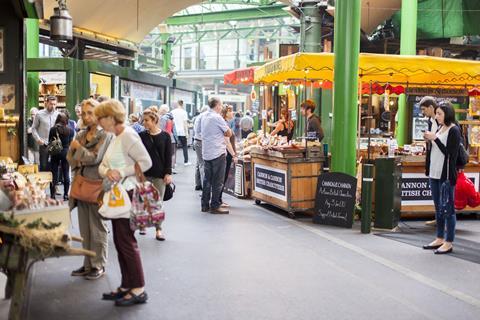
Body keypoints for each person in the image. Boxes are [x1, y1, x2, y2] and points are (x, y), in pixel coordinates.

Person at [96, 99, 152, 306]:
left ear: (111, 117)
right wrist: (109, 171)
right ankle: (127, 285)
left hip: (128, 194)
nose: (99, 122)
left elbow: (146, 162)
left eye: (102, 117)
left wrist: (120, 172)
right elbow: (103, 166)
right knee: (121, 241)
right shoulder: (115, 137)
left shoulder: (128, 135)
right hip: (118, 195)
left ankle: (138, 288)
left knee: (126, 241)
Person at [67, 98, 113, 280]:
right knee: (85, 229)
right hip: (81, 185)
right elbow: (70, 158)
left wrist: (78, 152)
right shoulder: (81, 134)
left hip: (98, 186)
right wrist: (78, 154)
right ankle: (88, 264)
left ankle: (98, 265)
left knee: (98, 229)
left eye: (90, 113)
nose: (85, 117)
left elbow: (94, 158)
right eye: (83, 113)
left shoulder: (106, 135)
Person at [422, 101, 461, 255]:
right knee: (438, 208)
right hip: (434, 173)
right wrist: (430, 139)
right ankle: (439, 237)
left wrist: (435, 139)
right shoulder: (440, 127)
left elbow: (451, 153)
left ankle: (448, 241)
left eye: (440, 114)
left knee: (448, 209)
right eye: (436, 113)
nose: (437, 116)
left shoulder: (454, 130)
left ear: (447, 114)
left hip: (446, 176)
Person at [139, 109, 173, 241]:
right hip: (144, 174)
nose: (144, 122)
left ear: (154, 121)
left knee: (157, 204)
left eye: (146, 120)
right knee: (144, 201)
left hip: (160, 175)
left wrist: (168, 173)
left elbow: (168, 156)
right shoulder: (141, 136)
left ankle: (158, 230)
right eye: (143, 120)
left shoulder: (165, 136)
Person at [201, 97, 233, 214]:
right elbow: (229, 133)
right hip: (218, 152)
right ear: (218, 105)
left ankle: (204, 205)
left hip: (207, 152)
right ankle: (215, 206)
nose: (221, 107)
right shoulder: (217, 117)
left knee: (207, 179)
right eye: (221, 104)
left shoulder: (204, 116)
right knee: (218, 181)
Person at [419, 96, 439, 226]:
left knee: (441, 194)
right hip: (433, 159)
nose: (422, 112)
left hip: (441, 161)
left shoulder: (440, 121)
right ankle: (439, 218)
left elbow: (443, 140)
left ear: (431, 107)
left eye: (424, 109)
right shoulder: (431, 121)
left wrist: (433, 138)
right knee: (436, 193)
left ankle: (442, 220)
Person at [48, 113, 73, 201]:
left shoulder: (53, 129)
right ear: (66, 120)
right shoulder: (70, 130)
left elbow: (50, 141)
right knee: (66, 174)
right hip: (66, 153)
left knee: (54, 174)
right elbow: (70, 143)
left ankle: (52, 195)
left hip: (55, 153)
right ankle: (66, 195)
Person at [32, 95, 60, 171]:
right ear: (46, 103)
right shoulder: (39, 114)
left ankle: (54, 182)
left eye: (54, 104)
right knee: (43, 165)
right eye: (51, 104)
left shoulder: (58, 114)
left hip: (54, 143)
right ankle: (44, 182)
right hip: (44, 143)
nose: (53, 106)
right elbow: (33, 128)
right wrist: (38, 139)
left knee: (55, 165)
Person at [219, 105, 237, 208]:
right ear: (226, 113)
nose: (232, 113)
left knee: (223, 177)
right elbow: (227, 142)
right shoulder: (224, 124)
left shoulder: (226, 123)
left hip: (226, 153)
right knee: (223, 177)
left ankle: (219, 199)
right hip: (226, 154)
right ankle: (218, 200)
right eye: (231, 111)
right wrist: (234, 154)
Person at [171, 100, 191, 165]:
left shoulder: (172, 112)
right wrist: (187, 133)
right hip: (182, 132)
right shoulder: (184, 112)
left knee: (174, 147)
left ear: (177, 104)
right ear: (182, 104)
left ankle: (174, 162)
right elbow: (185, 123)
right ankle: (186, 161)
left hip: (175, 131)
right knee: (184, 146)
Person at [193, 106, 208, 191]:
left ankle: (198, 184)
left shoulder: (198, 117)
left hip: (196, 141)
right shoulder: (204, 118)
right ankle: (204, 186)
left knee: (198, 163)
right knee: (203, 164)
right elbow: (202, 131)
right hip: (201, 142)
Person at [159, 104, 177, 174]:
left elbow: (162, 129)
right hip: (172, 138)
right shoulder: (171, 118)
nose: (159, 111)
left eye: (160, 109)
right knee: (172, 154)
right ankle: (172, 168)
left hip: (166, 138)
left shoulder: (163, 118)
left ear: (163, 110)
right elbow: (173, 129)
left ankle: (167, 168)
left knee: (166, 154)